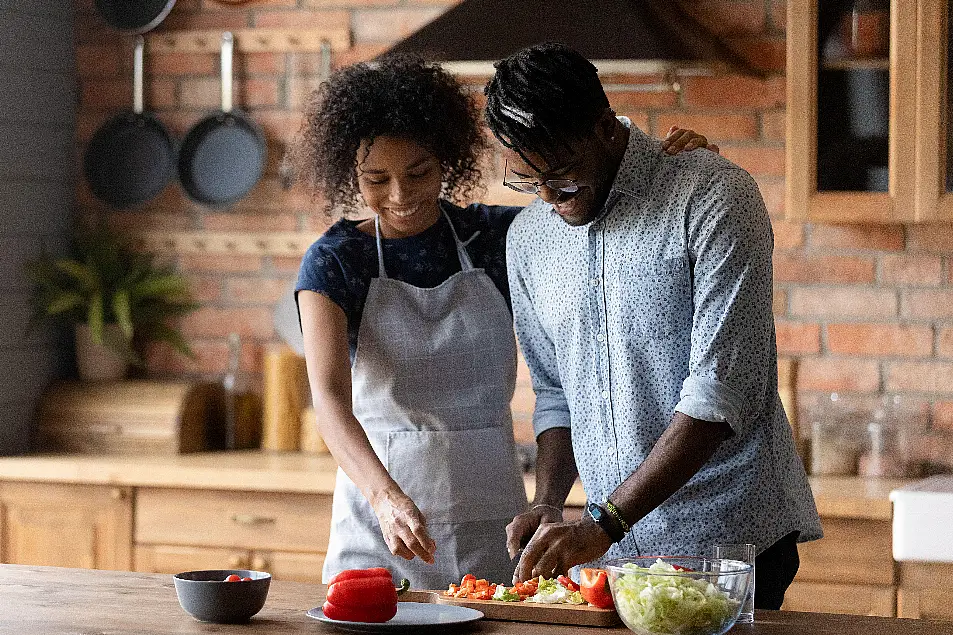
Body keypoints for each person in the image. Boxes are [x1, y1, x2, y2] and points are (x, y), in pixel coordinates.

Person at [291, 53, 716, 588]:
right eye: (377, 179)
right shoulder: (333, 262)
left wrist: (673, 169)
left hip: (495, 518)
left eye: (419, 172)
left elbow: (597, 203)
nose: (400, 196)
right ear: (349, 173)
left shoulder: (500, 238)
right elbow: (329, 401)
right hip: (380, 518)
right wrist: (384, 496)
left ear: (447, 159)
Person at [484, 42, 822, 609]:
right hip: (616, 557)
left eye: (562, 176)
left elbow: (717, 397)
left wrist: (603, 523)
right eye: (527, 180)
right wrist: (547, 501)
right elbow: (555, 396)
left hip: (728, 545)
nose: (548, 197)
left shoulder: (711, 196)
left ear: (604, 128)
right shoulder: (529, 239)